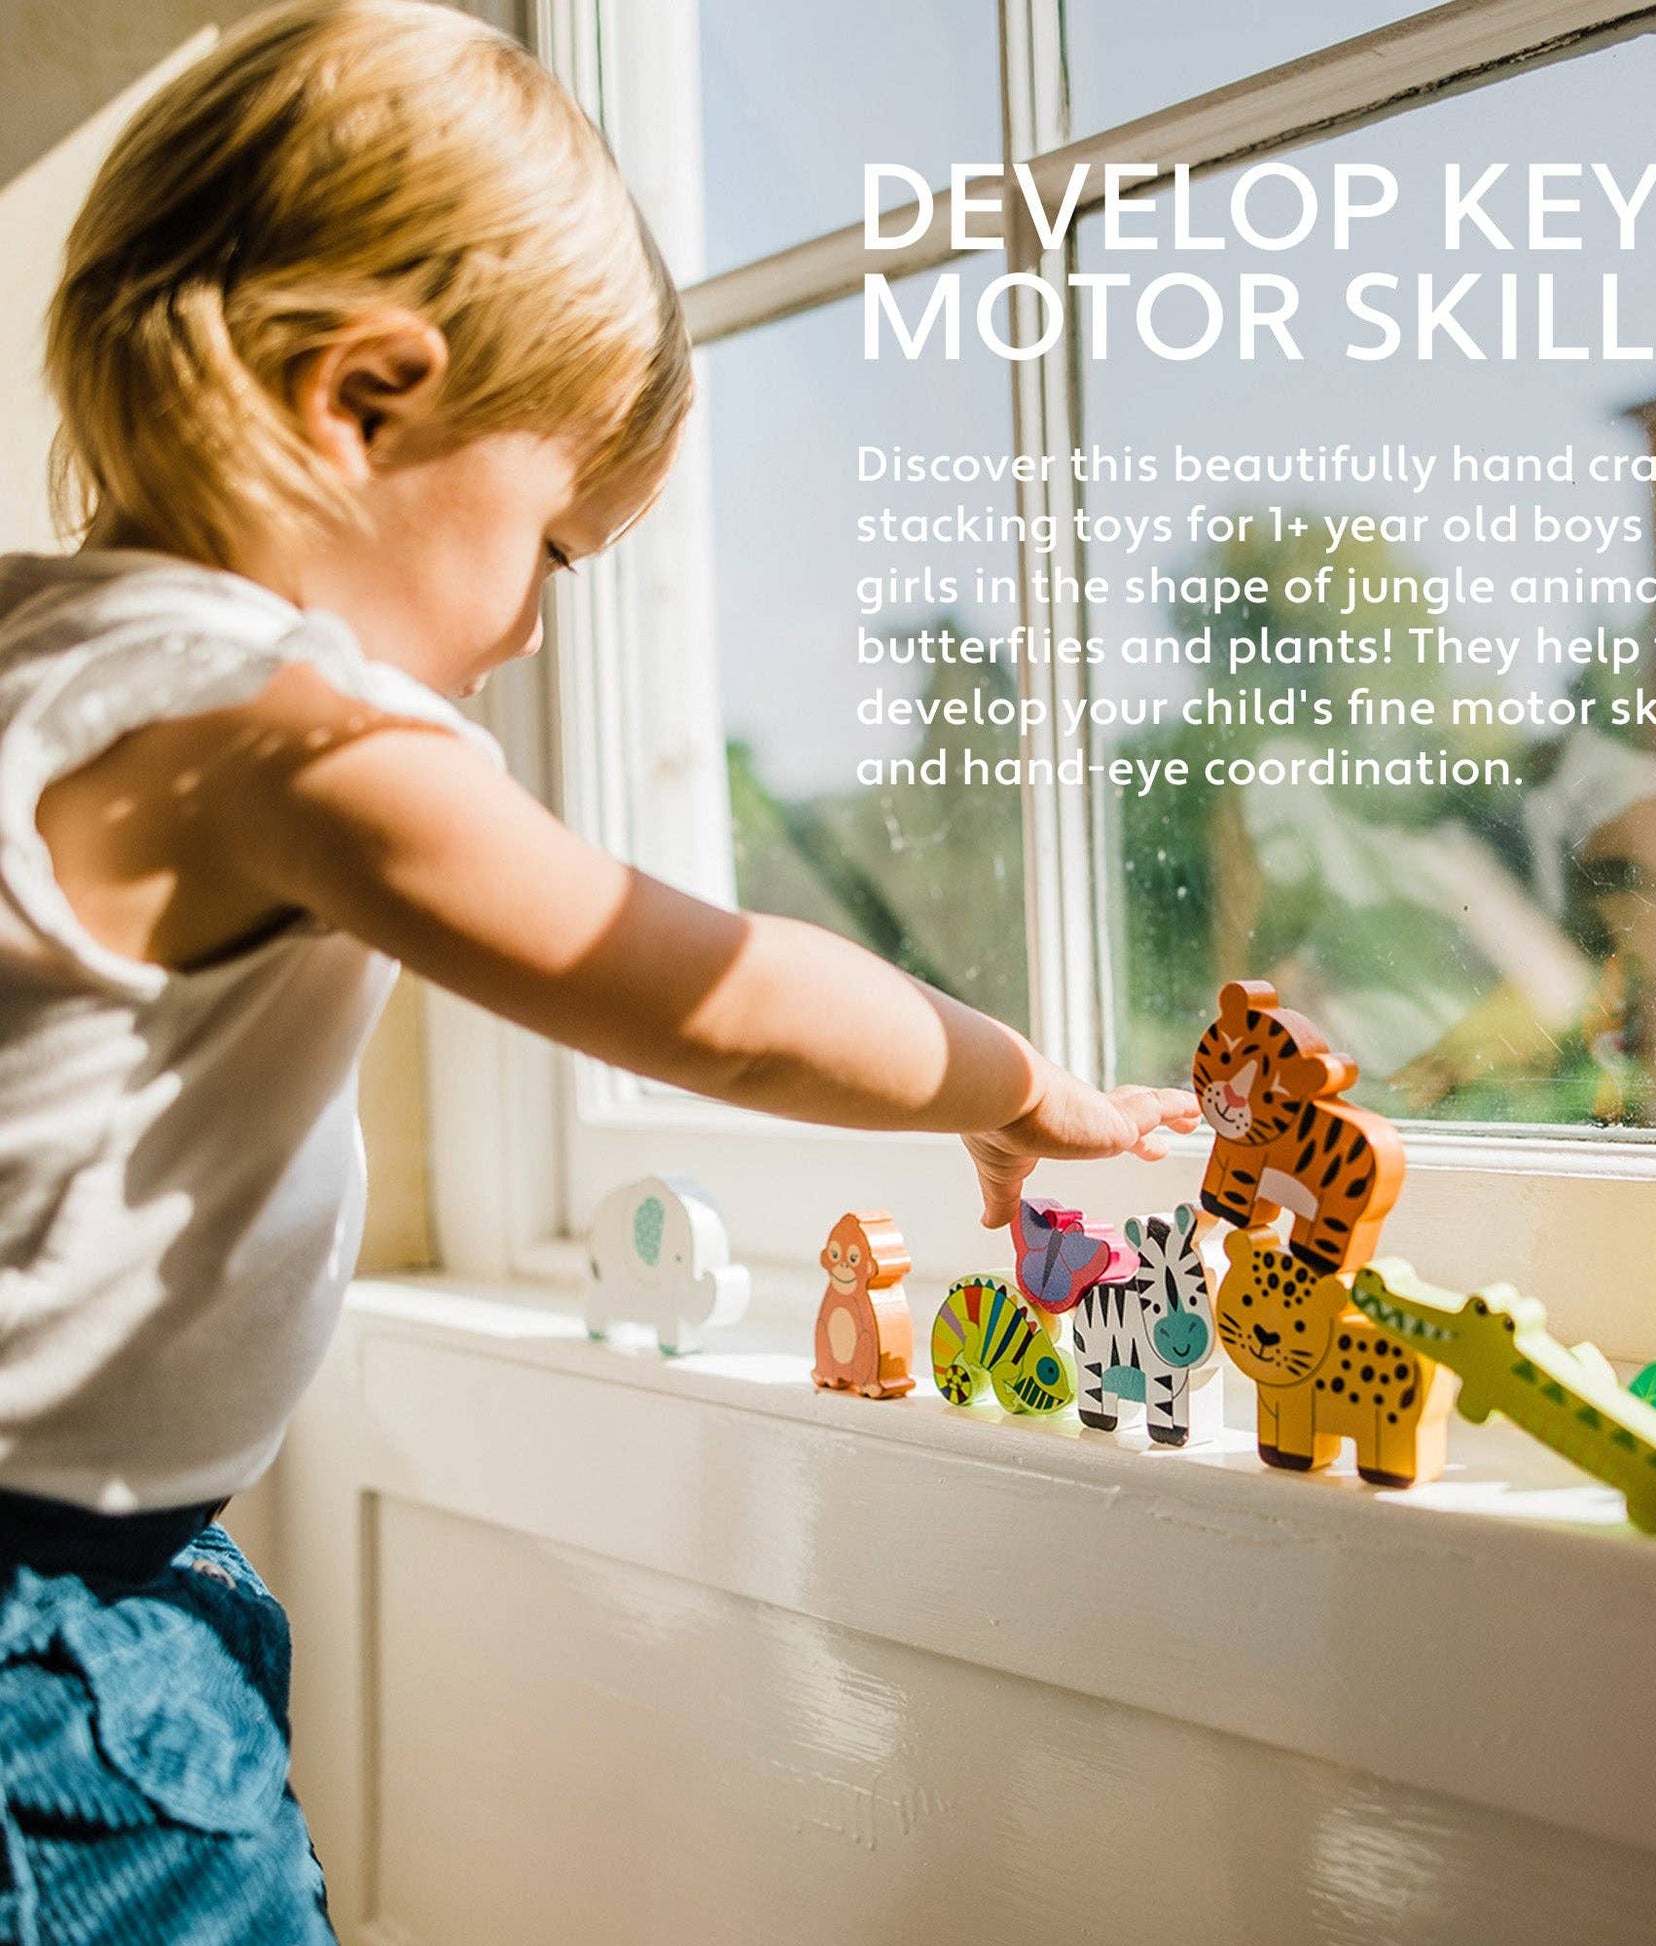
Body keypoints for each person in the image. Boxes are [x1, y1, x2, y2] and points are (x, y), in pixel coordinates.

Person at [0, 3, 1198, 1937]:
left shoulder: (35, 643)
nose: (545, 630)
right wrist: (1011, 1083)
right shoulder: (289, 737)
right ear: (357, 402)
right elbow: (711, 991)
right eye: (555, 543)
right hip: (51, 1645)